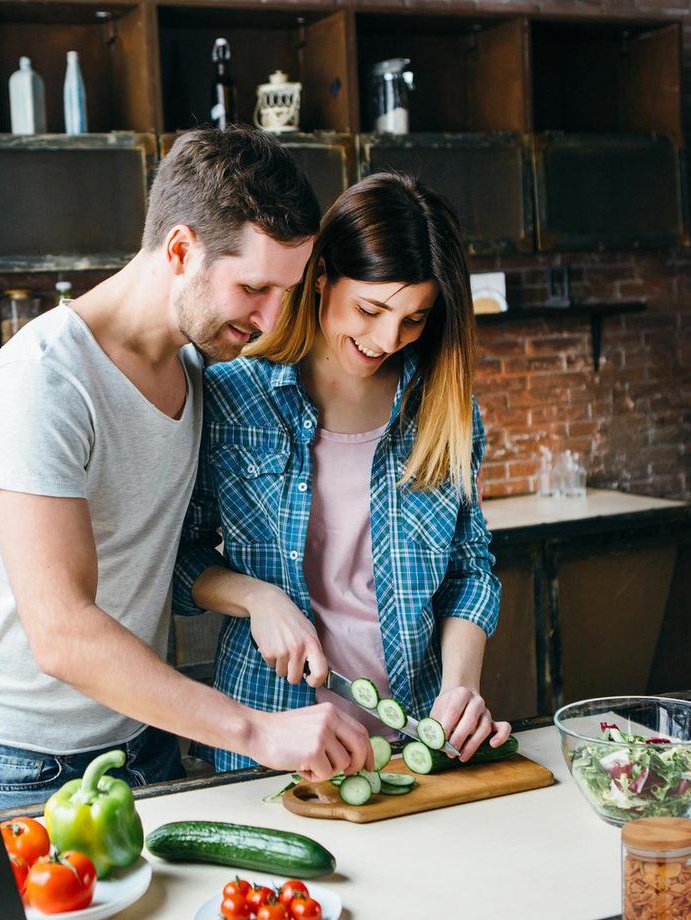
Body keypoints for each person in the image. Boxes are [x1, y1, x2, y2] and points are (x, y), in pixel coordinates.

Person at [0, 126, 373, 812]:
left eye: (284, 293)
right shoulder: (45, 380)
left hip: (145, 737)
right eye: (254, 288)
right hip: (23, 762)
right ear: (180, 250)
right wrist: (257, 731)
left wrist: (258, 595)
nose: (270, 321)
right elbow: (61, 632)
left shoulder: (195, 367)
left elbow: (181, 553)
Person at [174, 172, 511, 772]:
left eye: (414, 319)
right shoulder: (231, 396)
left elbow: (471, 568)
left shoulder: (444, 412)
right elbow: (182, 558)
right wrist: (256, 598)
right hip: (271, 738)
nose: (387, 339)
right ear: (322, 275)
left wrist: (462, 688)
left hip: (415, 742)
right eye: (371, 309)